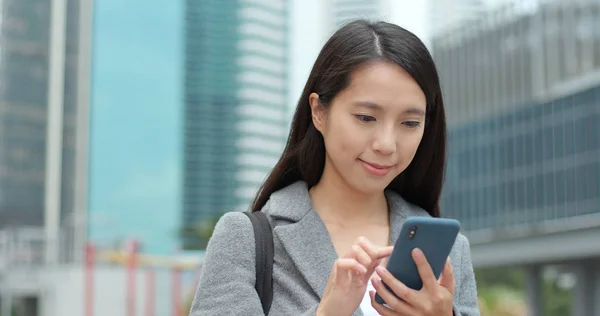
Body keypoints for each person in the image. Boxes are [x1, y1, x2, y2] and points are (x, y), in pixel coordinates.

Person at [189, 19, 480, 316]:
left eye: (409, 123)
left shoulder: (450, 250)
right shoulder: (245, 240)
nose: (387, 144)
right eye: (366, 117)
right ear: (318, 111)